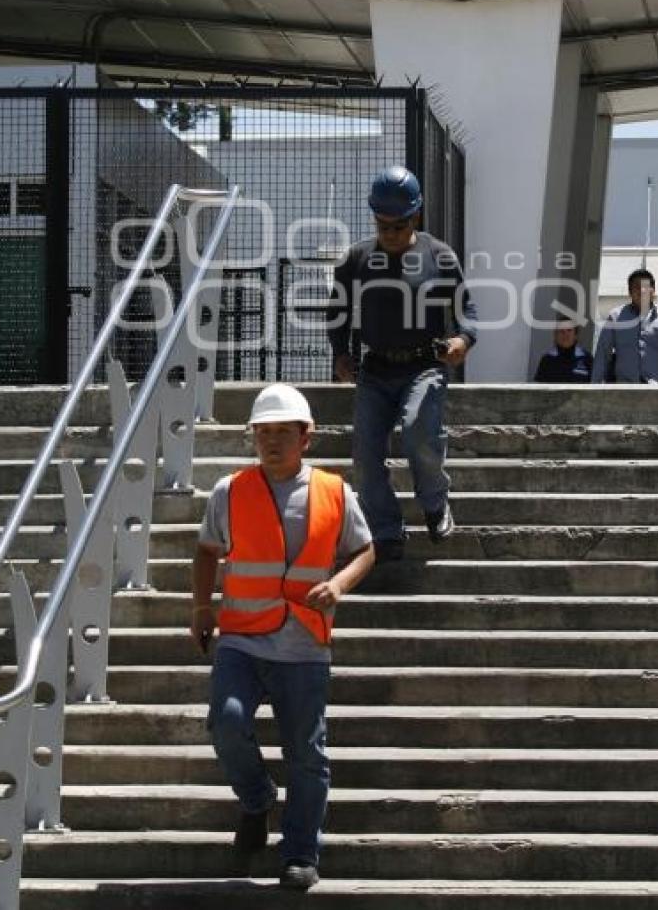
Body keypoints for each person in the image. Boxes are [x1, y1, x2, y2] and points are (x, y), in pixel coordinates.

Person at [191, 382, 374, 891]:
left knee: (307, 754)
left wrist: (338, 585)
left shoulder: (335, 492)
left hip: (304, 644)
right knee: (226, 723)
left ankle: (300, 853)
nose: (271, 442)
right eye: (262, 433)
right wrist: (202, 607)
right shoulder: (230, 491)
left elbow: (366, 550)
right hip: (242, 638)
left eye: (282, 433)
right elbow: (207, 551)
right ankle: (256, 799)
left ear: (306, 437)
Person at [326, 165, 477, 563]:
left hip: (424, 366)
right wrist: (341, 356)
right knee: (365, 453)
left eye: (397, 226)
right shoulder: (357, 258)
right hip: (374, 371)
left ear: (416, 217)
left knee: (417, 431)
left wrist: (463, 339)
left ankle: (434, 503)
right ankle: (386, 530)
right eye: (381, 225)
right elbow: (337, 311)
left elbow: (467, 309)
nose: (389, 234)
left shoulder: (439, 256)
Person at [592, 267, 658, 384]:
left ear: (653, 291)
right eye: (636, 287)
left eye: (645, 286)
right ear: (630, 292)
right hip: (625, 391)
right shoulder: (615, 317)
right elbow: (603, 353)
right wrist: (596, 384)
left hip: (657, 390)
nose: (641, 290)